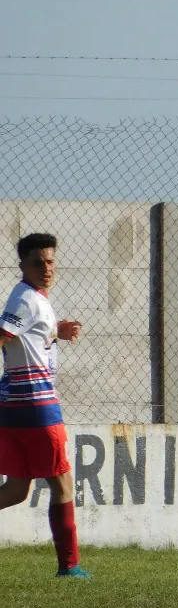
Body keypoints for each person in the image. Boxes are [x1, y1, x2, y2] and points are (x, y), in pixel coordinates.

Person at [0, 233, 87, 578]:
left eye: (50, 261)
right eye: (38, 263)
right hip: (37, 405)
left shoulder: (34, 298)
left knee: (18, 490)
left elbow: (26, 338)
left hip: (13, 406)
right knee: (62, 483)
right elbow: (4, 335)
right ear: (22, 265)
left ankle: (70, 566)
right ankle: (70, 567)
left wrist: (56, 331)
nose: (46, 268)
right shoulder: (25, 299)